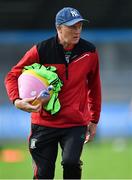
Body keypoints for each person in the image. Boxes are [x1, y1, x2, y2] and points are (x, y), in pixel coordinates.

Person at [5, 7, 101, 179]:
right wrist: (17, 101)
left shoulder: (90, 52)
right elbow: (12, 75)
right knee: (43, 175)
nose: (77, 30)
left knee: (71, 163)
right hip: (44, 123)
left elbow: (95, 87)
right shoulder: (41, 50)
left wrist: (94, 120)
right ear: (59, 28)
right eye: (72, 27)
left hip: (75, 122)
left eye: (79, 26)